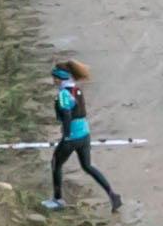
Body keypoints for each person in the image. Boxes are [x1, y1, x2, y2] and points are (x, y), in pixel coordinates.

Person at [41, 60, 121, 213]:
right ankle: (113, 195)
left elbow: (66, 115)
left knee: (56, 163)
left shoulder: (63, 94)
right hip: (85, 134)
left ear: (60, 78)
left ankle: (58, 200)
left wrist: (66, 135)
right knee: (87, 166)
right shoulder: (76, 89)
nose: (53, 81)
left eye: (54, 78)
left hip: (72, 137)